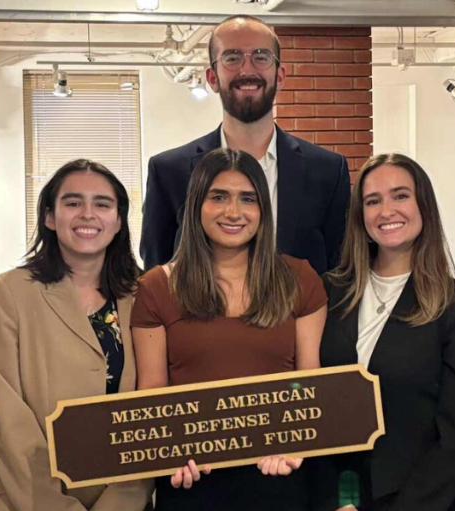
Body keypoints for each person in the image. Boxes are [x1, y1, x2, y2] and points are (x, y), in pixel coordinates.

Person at [132, 148, 327, 511]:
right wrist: (169, 453)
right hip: (192, 482)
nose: (233, 212)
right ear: (196, 206)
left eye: (248, 199)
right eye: (218, 197)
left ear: (263, 210)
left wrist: (294, 441)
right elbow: (153, 394)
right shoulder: (156, 287)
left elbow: (308, 383)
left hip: (280, 477)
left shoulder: (300, 280)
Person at [0, 159, 153, 511]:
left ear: (119, 221)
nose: (87, 214)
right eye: (73, 203)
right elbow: (6, 418)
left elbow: (150, 412)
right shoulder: (7, 293)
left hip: (124, 501)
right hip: (29, 500)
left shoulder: (144, 294)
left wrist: (122, 500)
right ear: (49, 216)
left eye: (102, 204)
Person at [314, 153, 455, 511]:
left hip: (423, 501)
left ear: (424, 204)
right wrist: (340, 501)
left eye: (400, 195)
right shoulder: (328, 293)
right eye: (372, 201)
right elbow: (319, 413)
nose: (386, 210)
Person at [140, 14, 350, 274]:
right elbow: (157, 274)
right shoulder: (168, 171)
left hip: (302, 315)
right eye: (232, 57)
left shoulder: (328, 171)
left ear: (280, 76)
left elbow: (339, 271)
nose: (247, 70)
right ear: (212, 78)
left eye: (261, 57)